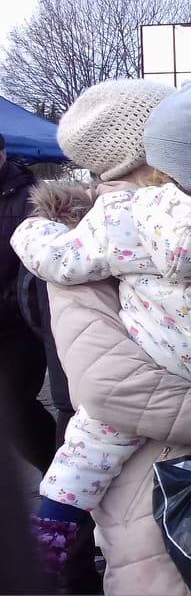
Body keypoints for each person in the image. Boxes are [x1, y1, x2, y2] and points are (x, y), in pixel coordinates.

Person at [12, 82, 191, 575]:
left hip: (164, 487)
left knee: (89, 445)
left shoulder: (105, 229)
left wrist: (32, 230)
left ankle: (55, 519)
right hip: (185, 482)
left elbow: (109, 395)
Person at [0, 134, 57, 474]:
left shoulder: (29, 197)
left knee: (14, 409)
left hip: (17, 327)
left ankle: (61, 483)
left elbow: (31, 273)